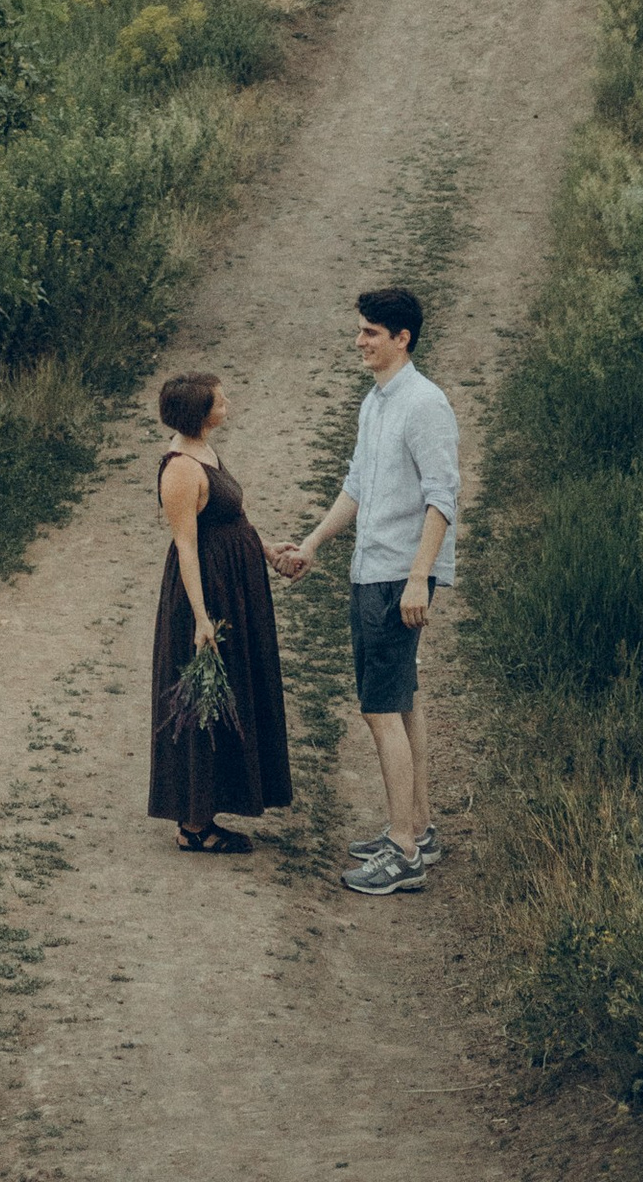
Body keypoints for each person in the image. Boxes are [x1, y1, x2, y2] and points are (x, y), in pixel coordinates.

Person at [275, 288, 458, 895]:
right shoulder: (376, 403)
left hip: (396, 579)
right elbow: (357, 485)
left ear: (402, 338)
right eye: (359, 330)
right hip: (369, 569)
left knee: (379, 709)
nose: (359, 341)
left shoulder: (425, 405)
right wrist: (314, 542)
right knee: (402, 701)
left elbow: (442, 498)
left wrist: (417, 579)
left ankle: (403, 851)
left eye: (370, 332)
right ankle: (421, 828)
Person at [146, 369, 292, 853]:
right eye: (219, 400)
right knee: (202, 707)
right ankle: (194, 825)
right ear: (199, 413)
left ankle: (209, 808)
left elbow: (232, 518)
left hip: (234, 586)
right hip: (207, 595)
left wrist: (266, 549)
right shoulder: (181, 470)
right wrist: (202, 618)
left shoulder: (203, 450)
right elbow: (186, 546)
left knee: (234, 695)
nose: (226, 403)